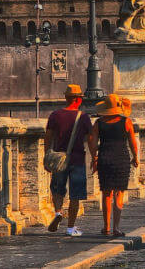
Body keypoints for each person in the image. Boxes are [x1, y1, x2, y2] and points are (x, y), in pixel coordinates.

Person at [87, 94, 139, 237]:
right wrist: (135, 157)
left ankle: (106, 227)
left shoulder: (99, 123)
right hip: (121, 159)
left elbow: (91, 141)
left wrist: (94, 158)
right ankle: (116, 227)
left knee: (106, 194)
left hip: (105, 158)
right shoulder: (126, 122)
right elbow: (132, 143)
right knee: (119, 193)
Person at [45, 84, 91, 237]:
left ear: (66, 98)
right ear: (78, 99)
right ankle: (71, 228)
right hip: (77, 159)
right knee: (75, 195)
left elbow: (48, 136)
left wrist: (47, 155)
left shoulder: (55, 115)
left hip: (59, 159)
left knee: (57, 189)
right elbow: (90, 138)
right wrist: (95, 156)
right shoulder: (83, 117)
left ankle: (58, 212)